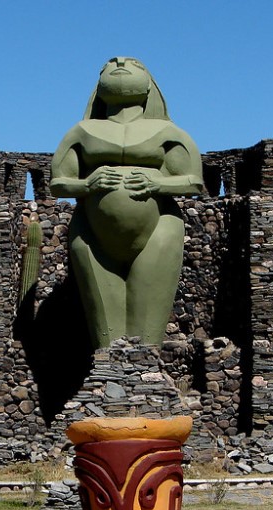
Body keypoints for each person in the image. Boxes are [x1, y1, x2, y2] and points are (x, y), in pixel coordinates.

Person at [50, 57, 204, 350]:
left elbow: (194, 181)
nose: (119, 62)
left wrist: (157, 183)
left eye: (132, 63)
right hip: (91, 234)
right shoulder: (82, 131)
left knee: (146, 336)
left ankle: (144, 381)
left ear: (149, 85)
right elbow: (58, 183)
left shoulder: (169, 132)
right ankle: (108, 380)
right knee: (105, 337)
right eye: (108, 65)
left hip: (159, 229)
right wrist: (86, 184)